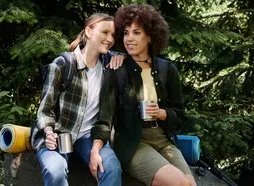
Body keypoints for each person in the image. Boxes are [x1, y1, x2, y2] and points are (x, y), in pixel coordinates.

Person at [93, 4, 197, 186]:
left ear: (150, 37)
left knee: (191, 184)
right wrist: (95, 150)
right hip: (133, 143)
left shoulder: (167, 70)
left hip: (163, 140)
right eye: (125, 33)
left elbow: (179, 113)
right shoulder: (117, 69)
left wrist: (162, 113)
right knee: (180, 184)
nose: (129, 39)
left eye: (136, 33)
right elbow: (105, 118)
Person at [32, 13, 124, 186]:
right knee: (55, 170)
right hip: (58, 134)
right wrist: (49, 133)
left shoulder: (109, 65)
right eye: (105, 32)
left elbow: (140, 57)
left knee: (111, 168)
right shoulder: (62, 64)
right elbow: (44, 110)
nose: (110, 39)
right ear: (88, 31)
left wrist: (123, 56)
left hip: (89, 136)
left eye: (113, 35)